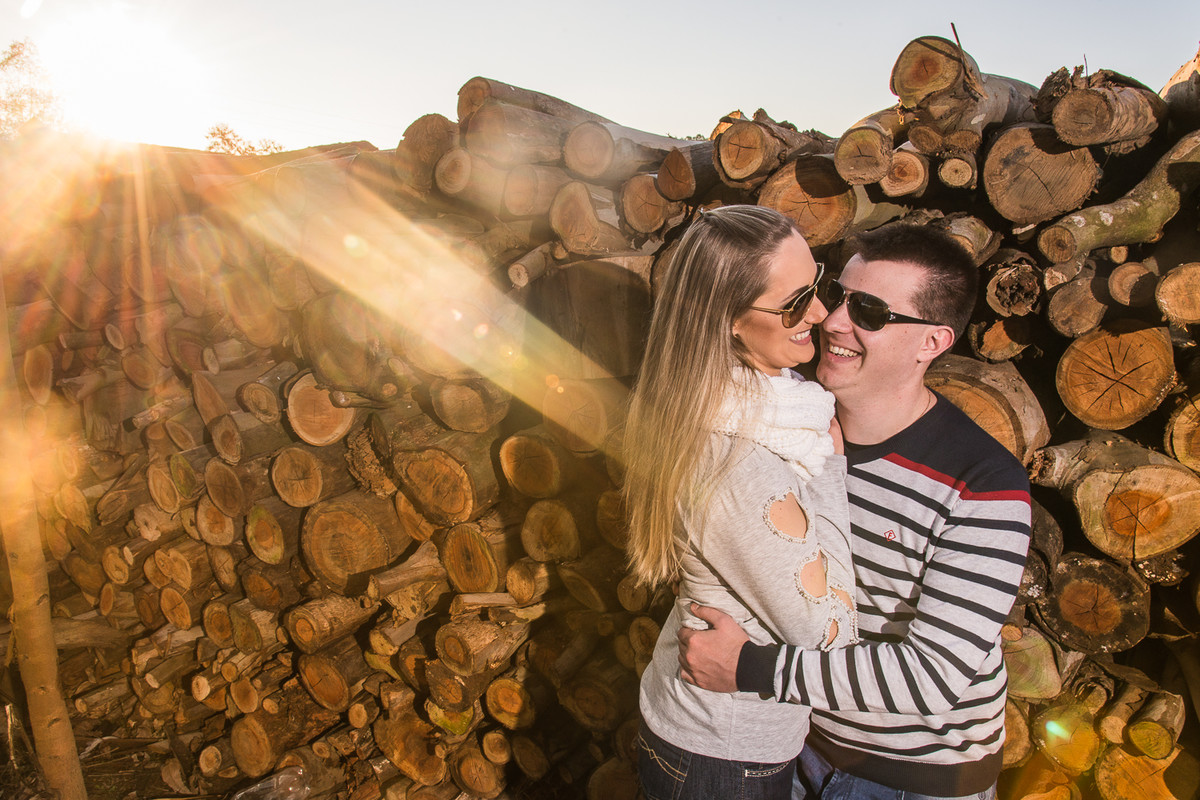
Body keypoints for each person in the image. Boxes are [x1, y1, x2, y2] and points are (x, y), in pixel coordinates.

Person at [677, 222, 1032, 800]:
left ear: (932, 343)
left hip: (909, 782)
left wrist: (750, 670)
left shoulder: (983, 484)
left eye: (870, 311)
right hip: (791, 749)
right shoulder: (785, 424)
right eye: (838, 295)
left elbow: (932, 677)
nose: (832, 320)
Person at [624, 205, 858, 800]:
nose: (822, 314)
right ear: (725, 320)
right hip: (722, 760)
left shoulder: (773, 410)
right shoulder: (736, 462)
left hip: (722, 741)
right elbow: (832, 636)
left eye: (818, 285)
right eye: (793, 303)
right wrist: (830, 473)